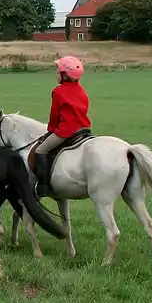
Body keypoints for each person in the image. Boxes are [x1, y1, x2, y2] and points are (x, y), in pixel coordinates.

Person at [34, 56, 91, 198]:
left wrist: (51, 130)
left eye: (58, 72)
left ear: (64, 75)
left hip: (66, 132)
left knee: (40, 150)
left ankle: (43, 186)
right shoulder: (82, 90)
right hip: (84, 129)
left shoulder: (58, 91)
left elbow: (54, 115)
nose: (56, 74)